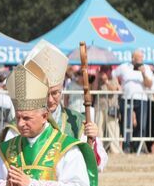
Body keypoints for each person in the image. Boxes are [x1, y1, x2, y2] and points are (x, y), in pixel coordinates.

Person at [24, 42, 108, 170]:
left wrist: (92, 141)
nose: (51, 100)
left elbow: (98, 165)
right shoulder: (23, 122)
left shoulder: (76, 122)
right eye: (45, 94)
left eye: (55, 93)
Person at [113, 50, 154, 153]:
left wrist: (143, 73)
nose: (141, 60)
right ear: (133, 58)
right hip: (126, 98)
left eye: (142, 58)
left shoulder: (147, 68)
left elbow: (149, 84)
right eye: (138, 58)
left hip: (142, 99)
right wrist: (117, 85)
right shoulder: (124, 67)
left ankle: (138, 147)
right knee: (126, 123)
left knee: (142, 124)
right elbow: (113, 75)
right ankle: (126, 146)